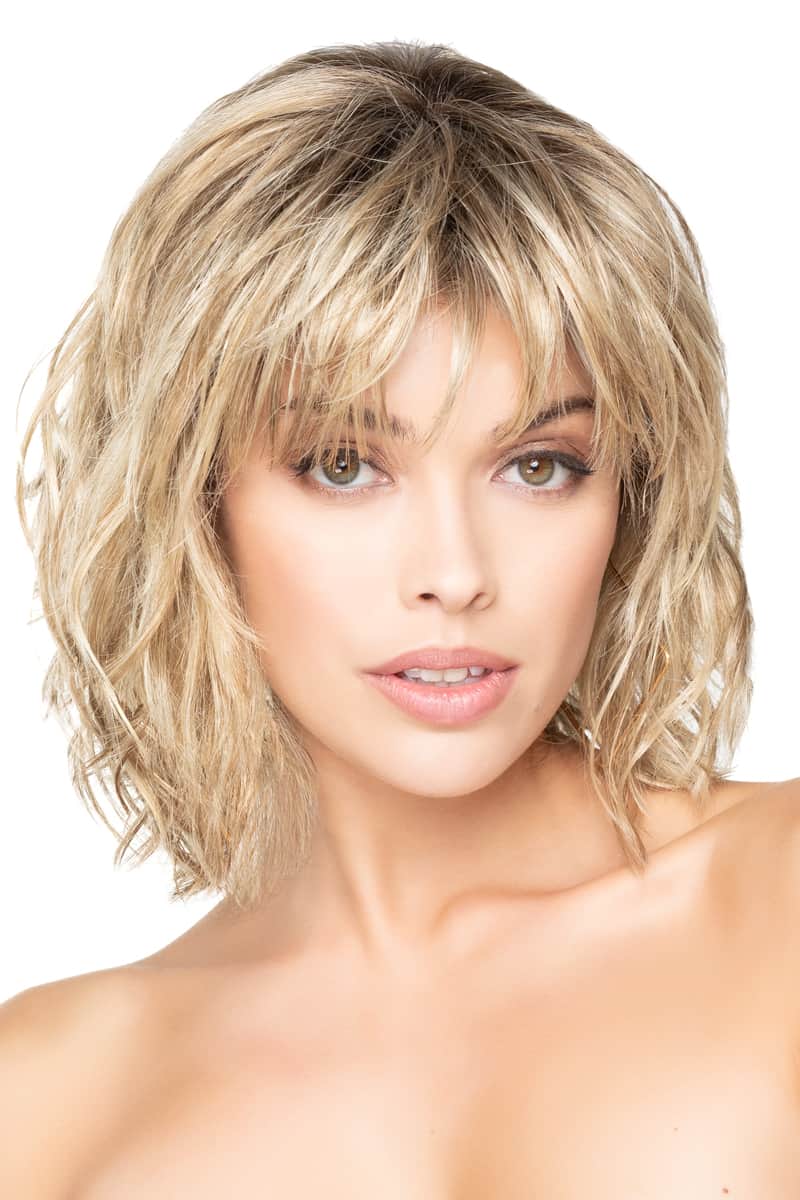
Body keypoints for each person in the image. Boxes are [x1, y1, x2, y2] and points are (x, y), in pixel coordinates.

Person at [5, 38, 800, 1197]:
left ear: (626, 497)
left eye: (538, 465)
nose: (454, 573)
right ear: (194, 501)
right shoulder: (47, 1099)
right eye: (342, 465)